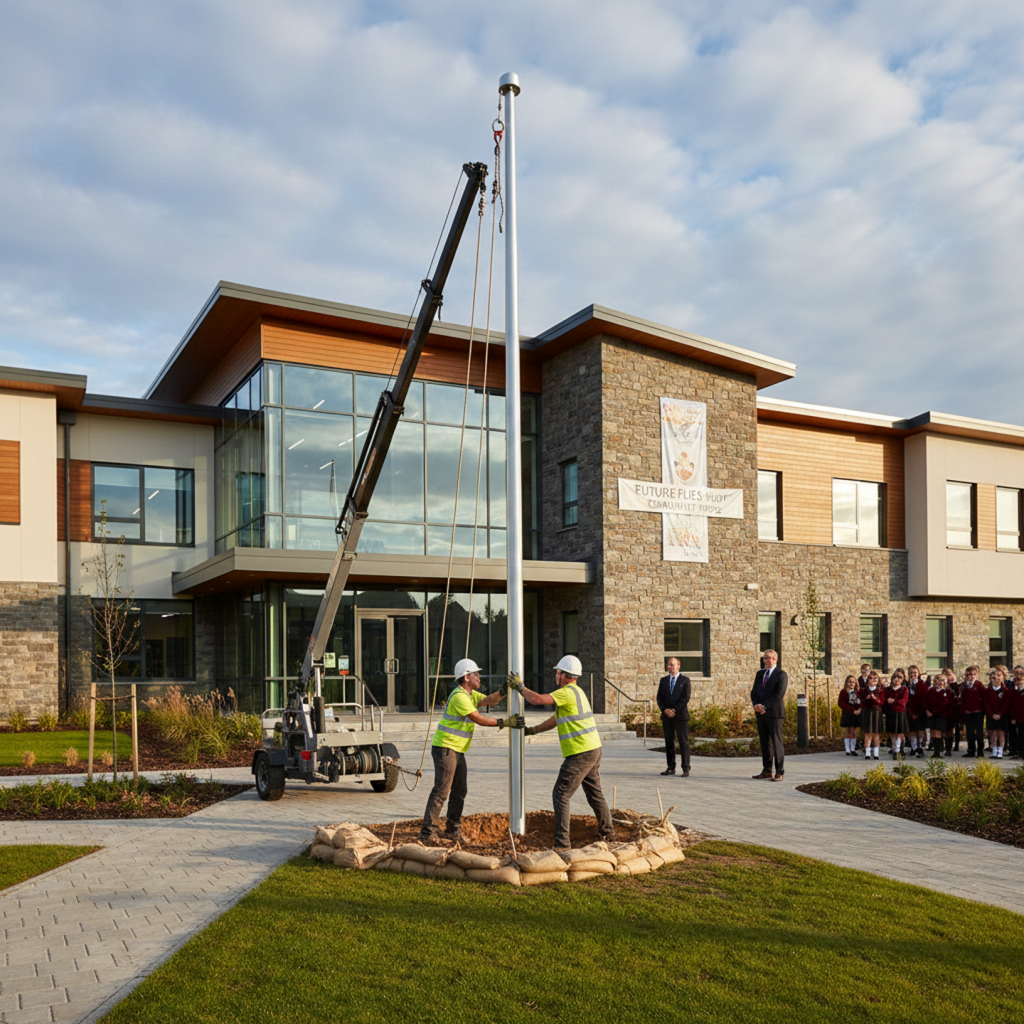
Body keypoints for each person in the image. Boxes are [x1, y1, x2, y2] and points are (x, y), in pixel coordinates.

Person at [512, 655, 615, 850]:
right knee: (594, 793)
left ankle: (562, 843)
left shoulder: (566, 692)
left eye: (558, 673)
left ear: (567, 676)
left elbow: (537, 699)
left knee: (561, 794)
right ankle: (608, 834)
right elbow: (555, 719)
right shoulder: (577, 693)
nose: (556, 676)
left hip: (580, 752)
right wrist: (533, 730)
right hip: (593, 749)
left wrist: (520, 687)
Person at [419, 658, 523, 844]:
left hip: (457, 750)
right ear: (466, 677)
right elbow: (478, 718)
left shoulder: (469, 694)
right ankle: (428, 832)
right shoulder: (459, 696)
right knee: (442, 790)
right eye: (476, 673)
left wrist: (504, 691)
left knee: (459, 790)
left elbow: (488, 700)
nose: (479, 676)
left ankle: (453, 829)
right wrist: (504, 722)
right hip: (446, 747)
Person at [750, 649, 787, 781]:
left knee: (776, 742)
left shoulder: (781, 674)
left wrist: (764, 705)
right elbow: (754, 692)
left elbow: (778, 694)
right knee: (765, 742)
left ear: (775, 659)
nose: (767, 660)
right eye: (765, 658)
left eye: (770, 658)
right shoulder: (760, 674)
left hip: (775, 714)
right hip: (761, 714)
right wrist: (756, 705)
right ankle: (767, 770)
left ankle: (779, 771)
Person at [656, 657, 691, 777]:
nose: (671, 667)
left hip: (680, 716)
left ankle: (685, 768)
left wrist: (674, 710)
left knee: (683, 742)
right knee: (669, 742)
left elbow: (685, 698)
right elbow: (659, 697)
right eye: (669, 665)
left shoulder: (685, 680)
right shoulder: (663, 680)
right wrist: (665, 709)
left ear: (678, 665)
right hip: (667, 717)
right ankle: (671, 767)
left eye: (673, 664)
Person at [983, 669, 1010, 759]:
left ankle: (1000, 752)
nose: (996, 677)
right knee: (993, 733)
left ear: (1003, 677)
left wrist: (1000, 714)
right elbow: (986, 703)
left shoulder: (1005, 690)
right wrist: (992, 714)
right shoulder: (988, 691)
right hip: (992, 715)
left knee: (1001, 733)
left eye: (998, 675)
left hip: (1002, 716)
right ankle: (994, 752)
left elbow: (1006, 704)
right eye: (994, 675)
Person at [961, 666, 985, 758]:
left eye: (974, 674)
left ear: (977, 675)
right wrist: (964, 710)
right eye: (969, 674)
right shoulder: (964, 686)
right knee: (969, 732)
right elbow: (962, 699)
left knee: (979, 732)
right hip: (968, 712)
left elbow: (983, 698)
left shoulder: (979, 685)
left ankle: (980, 750)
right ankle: (971, 750)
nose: (971, 676)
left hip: (978, 712)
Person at [860, 671, 885, 760]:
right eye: (871, 678)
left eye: (875, 678)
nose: (873, 680)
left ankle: (876, 753)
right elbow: (861, 701)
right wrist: (866, 699)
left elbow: (881, 702)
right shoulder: (864, 690)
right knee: (867, 733)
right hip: (867, 712)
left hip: (876, 712)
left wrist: (875, 698)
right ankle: (867, 753)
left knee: (876, 733)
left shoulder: (880, 690)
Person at [886, 669, 910, 760]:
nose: (897, 679)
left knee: (899, 732)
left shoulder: (904, 689)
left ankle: (898, 750)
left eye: (899, 677)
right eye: (895, 677)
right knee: (893, 732)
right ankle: (894, 747)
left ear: (903, 679)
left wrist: (894, 701)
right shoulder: (889, 689)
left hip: (900, 712)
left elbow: (903, 700)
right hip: (891, 712)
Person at [925, 672, 949, 758]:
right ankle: (934, 750)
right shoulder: (931, 690)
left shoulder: (945, 692)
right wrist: (927, 710)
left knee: (938, 732)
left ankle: (938, 751)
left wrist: (933, 712)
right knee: (933, 732)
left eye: (942, 680)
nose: (939, 682)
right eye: (937, 680)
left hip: (940, 715)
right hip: (930, 714)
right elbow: (926, 700)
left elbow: (943, 703)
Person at [838, 675, 862, 755]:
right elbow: (841, 703)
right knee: (848, 731)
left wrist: (859, 709)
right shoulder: (844, 692)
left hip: (856, 713)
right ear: (846, 683)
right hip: (848, 713)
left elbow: (861, 702)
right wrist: (852, 710)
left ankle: (853, 748)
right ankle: (847, 749)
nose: (851, 684)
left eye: (853, 682)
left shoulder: (858, 692)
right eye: (850, 682)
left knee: (854, 731)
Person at [907, 666, 927, 757]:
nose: (913, 674)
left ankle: (921, 748)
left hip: (920, 710)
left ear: (918, 673)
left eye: (915, 672)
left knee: (920, 730)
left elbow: (924, 698)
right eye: (911, 672)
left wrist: (919, 712)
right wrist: (911, 712)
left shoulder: (922, 684)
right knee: (912, 730)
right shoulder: (906, 685)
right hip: (910, 711)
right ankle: (914, 747)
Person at [1010, 669, 1024, 761]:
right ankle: (1020, 753)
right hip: (1018, 717)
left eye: (1019, 680)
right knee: (1020, 736)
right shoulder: (1014, 692)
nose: (1017, 683)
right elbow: (1012, 705)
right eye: (1016, 680)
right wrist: (1013, 717)